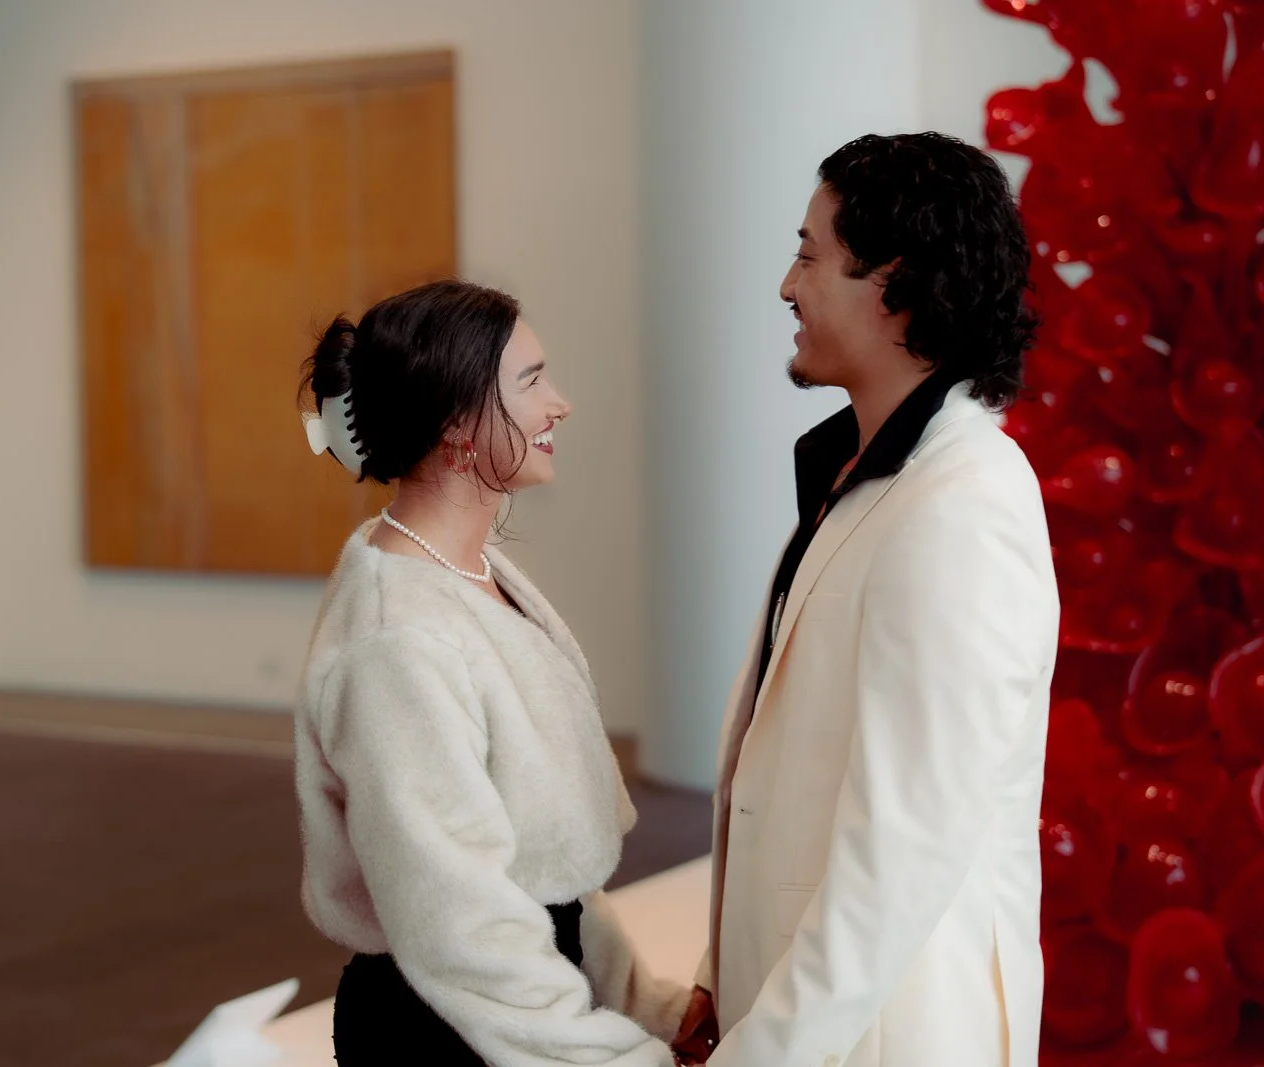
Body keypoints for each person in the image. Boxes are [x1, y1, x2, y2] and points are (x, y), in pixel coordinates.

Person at [678, 133, 1060, 1067]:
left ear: (893, 283)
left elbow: (904, 848)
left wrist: (760, 1053)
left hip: (891, 1027)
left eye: (809, 255)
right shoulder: (858, 469)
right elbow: (789, 772)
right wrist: (717, 972)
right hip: (812, 1008)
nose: (785, 286)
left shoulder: (962, 501)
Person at [293, 279, 690, 1066]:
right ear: (456, 423)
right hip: (452, 1034)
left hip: (519, 1009)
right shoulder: (398, 642)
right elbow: (459, 920)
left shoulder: (469, 572)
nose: (560, 404)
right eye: (532, 380)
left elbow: (543, 874)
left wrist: (649, 1008)